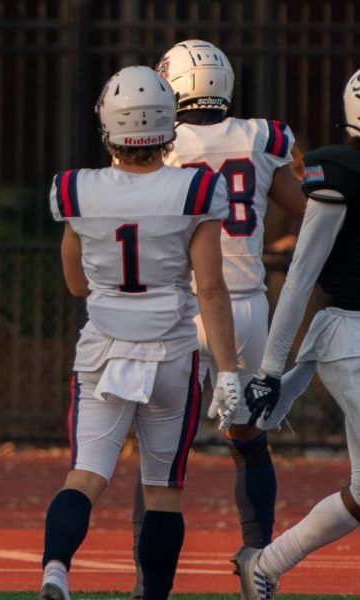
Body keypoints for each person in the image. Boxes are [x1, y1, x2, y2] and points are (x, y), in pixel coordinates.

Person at [40, 65, 241, 600]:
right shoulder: (195, 187)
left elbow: (76, 283)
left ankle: (56, 570)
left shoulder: (75, 188)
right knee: (163, 490)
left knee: (85, 475)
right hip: (173, 352)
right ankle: (152, 596)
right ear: (166, 127)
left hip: (103, 349)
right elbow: (212, 288)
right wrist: (230, 372)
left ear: (110, 125)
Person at [126, 41, 307, 597]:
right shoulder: (261, 137)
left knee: (161, 452)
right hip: (248, 305)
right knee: (248, 440)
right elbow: (308, 207)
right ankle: (258, 561)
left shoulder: (162, 142)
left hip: (182, 305)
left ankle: (148, 586)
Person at [233, 68, 360, 600]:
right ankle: (264, 563)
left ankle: (265, 563)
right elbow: (303, 272)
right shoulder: (340, 171)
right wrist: (268, 368)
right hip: (350, 333)